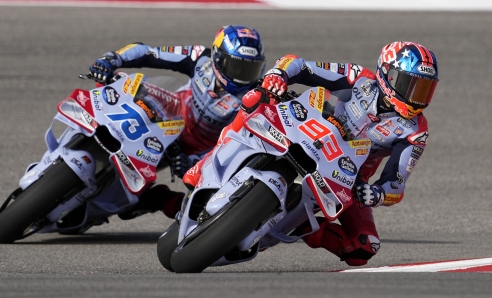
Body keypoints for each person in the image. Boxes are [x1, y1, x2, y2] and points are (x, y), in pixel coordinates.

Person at [183, 41, 438, 266]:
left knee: (363, 247)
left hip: (345, 173)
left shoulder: (415, 130)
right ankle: (207, 162)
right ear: (388, 76)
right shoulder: (358, 77)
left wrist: (377, 193)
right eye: (411, 85)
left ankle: (298, 225)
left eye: (425, 89)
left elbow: (397, 182)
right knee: (254, 99)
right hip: (306, 126)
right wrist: (278, 75)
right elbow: (299, 65)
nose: (417, 97)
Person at [88, 25, 266, 220]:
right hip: (166, 116)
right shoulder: (200, 58)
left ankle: (156, 199)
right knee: (119, 93)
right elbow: (149, 52)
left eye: (250, 69)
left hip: (198, 151)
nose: (241, 76)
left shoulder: (255, 98)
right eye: (236, 66)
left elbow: (239, 144)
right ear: (218, 58)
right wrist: (111, 59)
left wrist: (197, 162)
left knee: (201, 206)